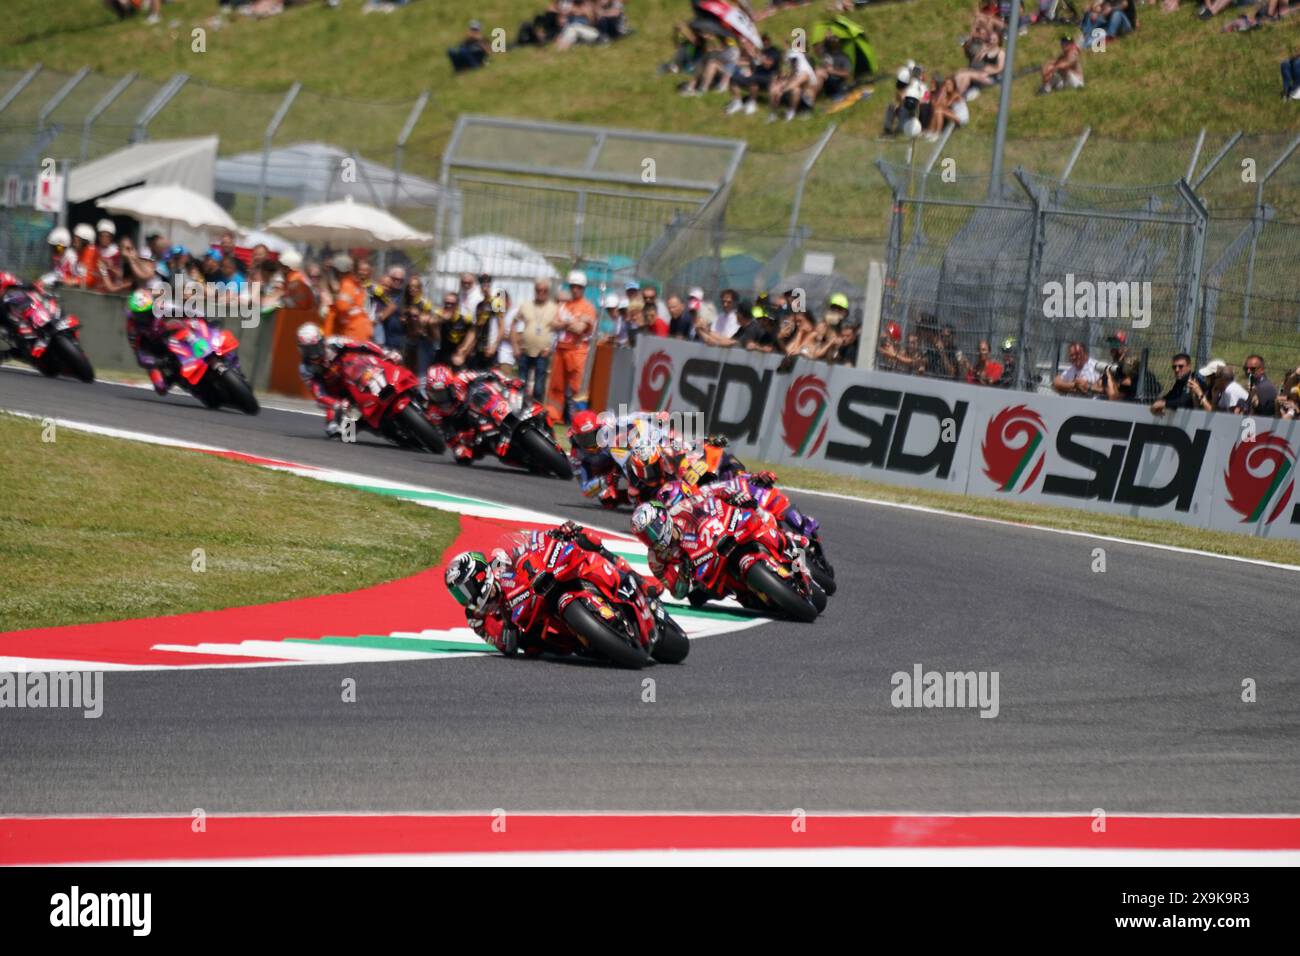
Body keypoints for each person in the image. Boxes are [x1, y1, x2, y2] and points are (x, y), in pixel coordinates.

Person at [296, 321, 403, 438]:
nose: (312, 354)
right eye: (307, 350)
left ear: (321, 341)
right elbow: (319, 393)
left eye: (314, 348)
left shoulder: (334, 343)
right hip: (340, 396)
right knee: (342, 433)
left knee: (386, 367)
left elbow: (362, 345)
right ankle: (366, 427)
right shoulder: (305, 368)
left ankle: (408, 393)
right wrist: (336, 404)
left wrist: (384, 353)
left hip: (356, 375)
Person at [548, 269, 595, 423]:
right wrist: (570, 322)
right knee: (556, 385)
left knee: (577, 387)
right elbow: (553, 323)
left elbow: (580, 329)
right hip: (561, 349)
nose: (575, 289)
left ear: (583, 288)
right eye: (573, 286)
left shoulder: (588, 307)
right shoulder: (564, 305)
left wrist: (564, 324)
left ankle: (579, 418)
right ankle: (554, 416)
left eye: (578, 287)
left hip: (577, 351)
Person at [124, 289, 181, 395]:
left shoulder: (161, 307)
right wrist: (155, 361)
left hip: (172, 340)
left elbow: (183, 310)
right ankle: (174, 378)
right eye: (139, 315)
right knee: (161, 388)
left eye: (146, 312)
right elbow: (138, 353)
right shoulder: (132, 327)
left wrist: (201, 315)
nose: (143, 317)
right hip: (153, 352)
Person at [514, 279, 557, 403]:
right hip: (525, 351)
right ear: (535, 290)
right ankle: (519, 410)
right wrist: (516, 346)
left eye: (544, 290)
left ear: (548, 292)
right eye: (538, 290)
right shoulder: (526, 305)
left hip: (542, 353)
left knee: (538, 388)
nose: (541, 293)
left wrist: (550, 348)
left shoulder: (554, 308)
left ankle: (537, 413)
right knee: (521, 385)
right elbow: (513, 324)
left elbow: (558, 332)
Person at [326, 254, 372, 341]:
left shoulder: (347, 285)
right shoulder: (353, 282)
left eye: (334, 270)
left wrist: (333, 310)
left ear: (338, 271)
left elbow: (343, 307)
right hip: (360, 326)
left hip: (354, 329)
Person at [434, 290, 475, 368]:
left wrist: (464, 350)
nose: (449, 306)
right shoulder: (440, 314)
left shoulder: (464, 317)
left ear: (457, 305)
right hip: (443, 353)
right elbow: (431, 322)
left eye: (452, 304)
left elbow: (473, 332)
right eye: (447, 303)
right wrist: (442, 320)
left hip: (459, 354)